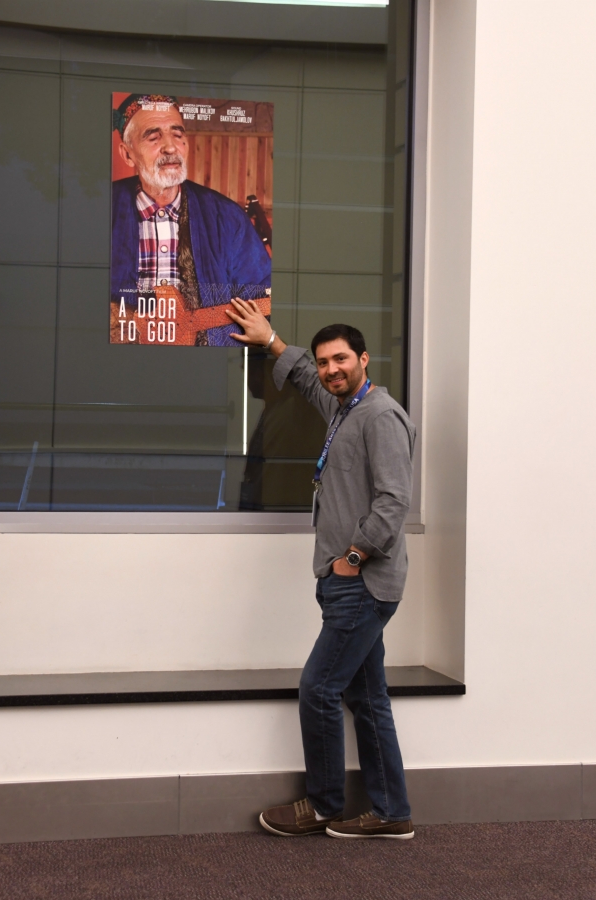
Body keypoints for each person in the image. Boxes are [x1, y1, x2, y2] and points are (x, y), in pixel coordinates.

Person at [226, 300, 417, 840]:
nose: (331, 369)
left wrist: (354, 557)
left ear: (364, 359)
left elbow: (394, 501)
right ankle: (390, 812)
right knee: (367, 697)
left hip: (363, 582)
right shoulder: (342, 407)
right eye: (325, 361)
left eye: (340, 360)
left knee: (318, 688)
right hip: (343, 581)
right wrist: (271, 341)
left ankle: (325, 803)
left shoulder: (380, 416)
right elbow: (307, 380)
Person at [110, 94, 271, 346]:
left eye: (178, 134)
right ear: (128, 154)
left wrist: (195, 326)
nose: (171, 147)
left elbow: (263, 297)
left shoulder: (227, 217)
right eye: (153, 137)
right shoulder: (99, 210)